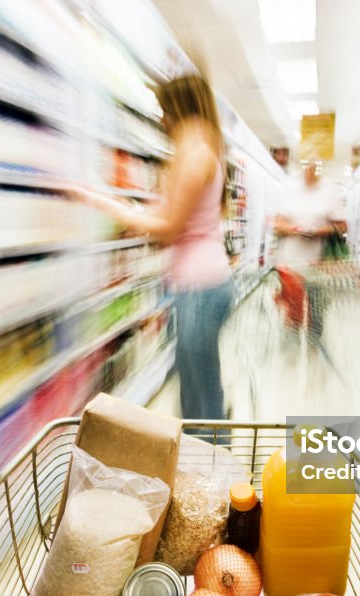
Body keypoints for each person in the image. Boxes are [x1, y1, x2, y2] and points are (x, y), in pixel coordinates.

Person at [72, 73, 234, 421]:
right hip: (197, 284)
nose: (162, 119)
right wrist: (119, 203)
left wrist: (110, 207)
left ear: (180, 109)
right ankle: (203, 453)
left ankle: (208, 462)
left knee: (199, 389)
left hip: (201, 287)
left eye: (165, 110)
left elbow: (167, 229)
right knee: (196, 383)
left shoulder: (195, 157)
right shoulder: (198, 152)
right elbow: (168, 217)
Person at [274, 159, 345, 344]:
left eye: (315, 165)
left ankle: (314, 349)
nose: (310, 169)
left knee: (316, 311)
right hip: (290, 263)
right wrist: (292, 229)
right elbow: (278, 223)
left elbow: (342, 226)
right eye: (306, 164)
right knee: (292, 311)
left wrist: (319, 231)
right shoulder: (290, 189)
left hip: (317, 263)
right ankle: (291, 350)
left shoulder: (330, 192)